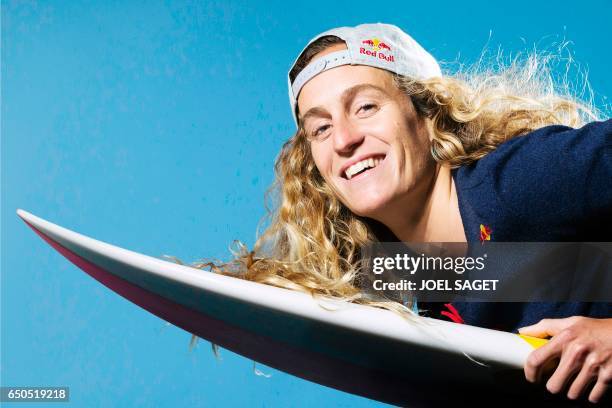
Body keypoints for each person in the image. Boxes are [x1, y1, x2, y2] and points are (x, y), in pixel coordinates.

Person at [204, 23, 612, 403]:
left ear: (427, 115)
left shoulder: (519, 181)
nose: (344, 139)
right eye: (321, 129)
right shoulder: (429, 293)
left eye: (365, 107)